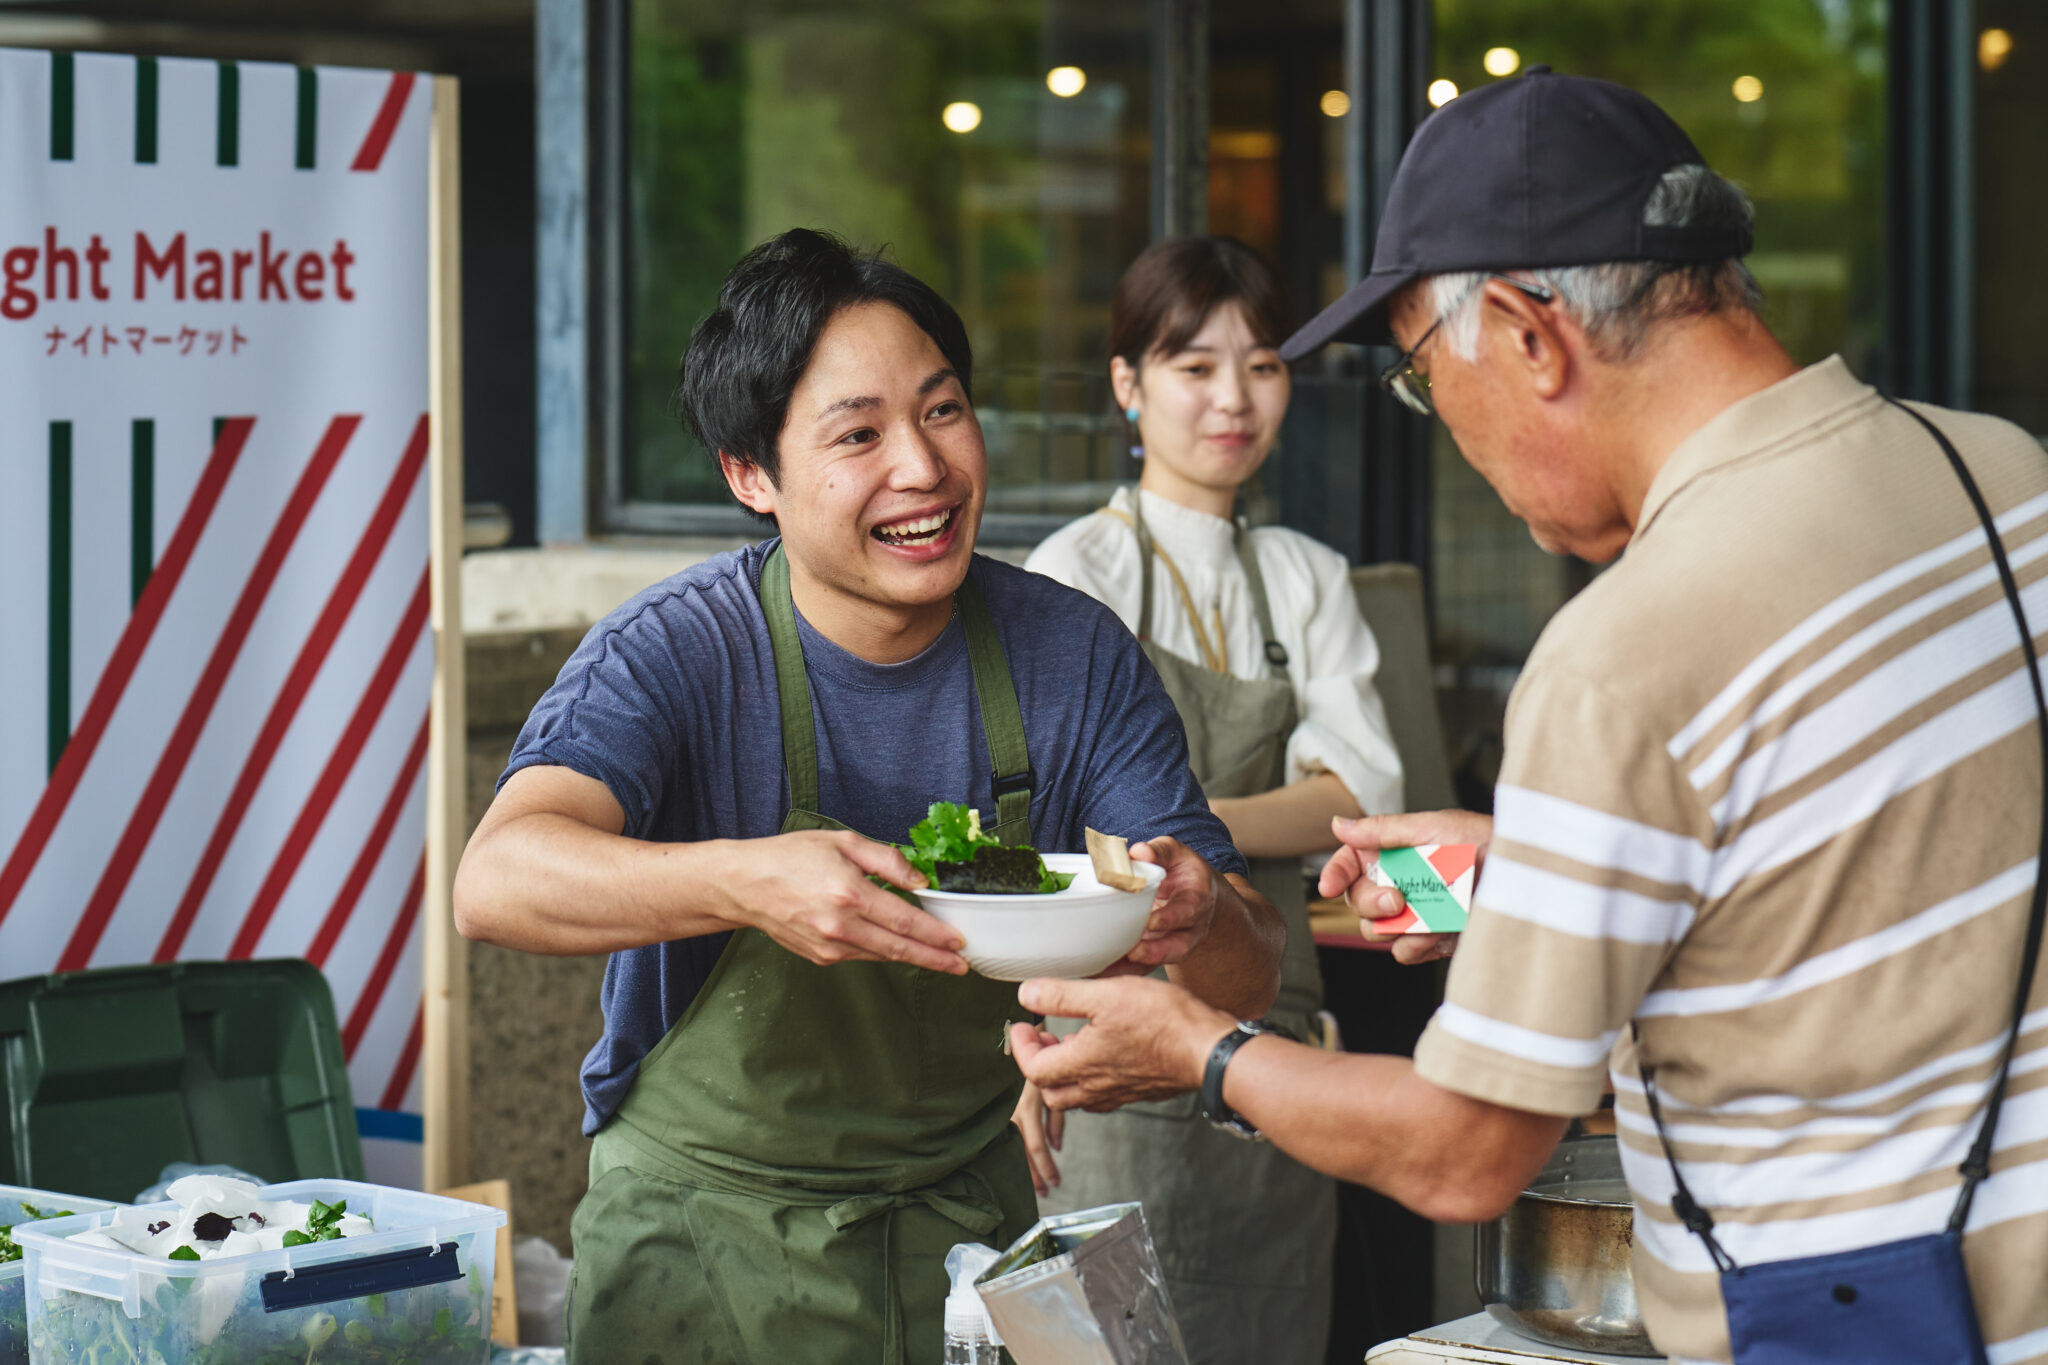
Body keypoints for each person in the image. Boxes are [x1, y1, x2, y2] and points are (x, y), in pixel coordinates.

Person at [1006, 68, 2048, 1365]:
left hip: (1850, 1317)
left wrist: (1202, 1047)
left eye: (1423, 377)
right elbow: (1891, 848)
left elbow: (1462, 1151)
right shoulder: (2002, 472)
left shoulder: (1619, 654)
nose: (1445, 431)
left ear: (1528, 332)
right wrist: (1531, 867)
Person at [452, 228, 1283, 1364]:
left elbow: (1248, 967)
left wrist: (1199, 914)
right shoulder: (678, 650)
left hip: (968, 1244)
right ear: (751, 476)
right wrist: (745, 881)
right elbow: (496, 880)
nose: (922, 469)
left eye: (942, 411)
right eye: (858, 435)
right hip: (700, 1253)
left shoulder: (1068, 652)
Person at [1016, 236, 1404, 1363]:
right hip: (1106, 1047)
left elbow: (1361, 800)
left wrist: (1170, 832)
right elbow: (1050, 843)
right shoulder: (1070, 574)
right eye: (1192, 365)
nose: (1232, 398)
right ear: (1127, 384)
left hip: (1276, 1045)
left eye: (1264, 363)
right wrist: (1258, 814)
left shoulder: (1305, 574)